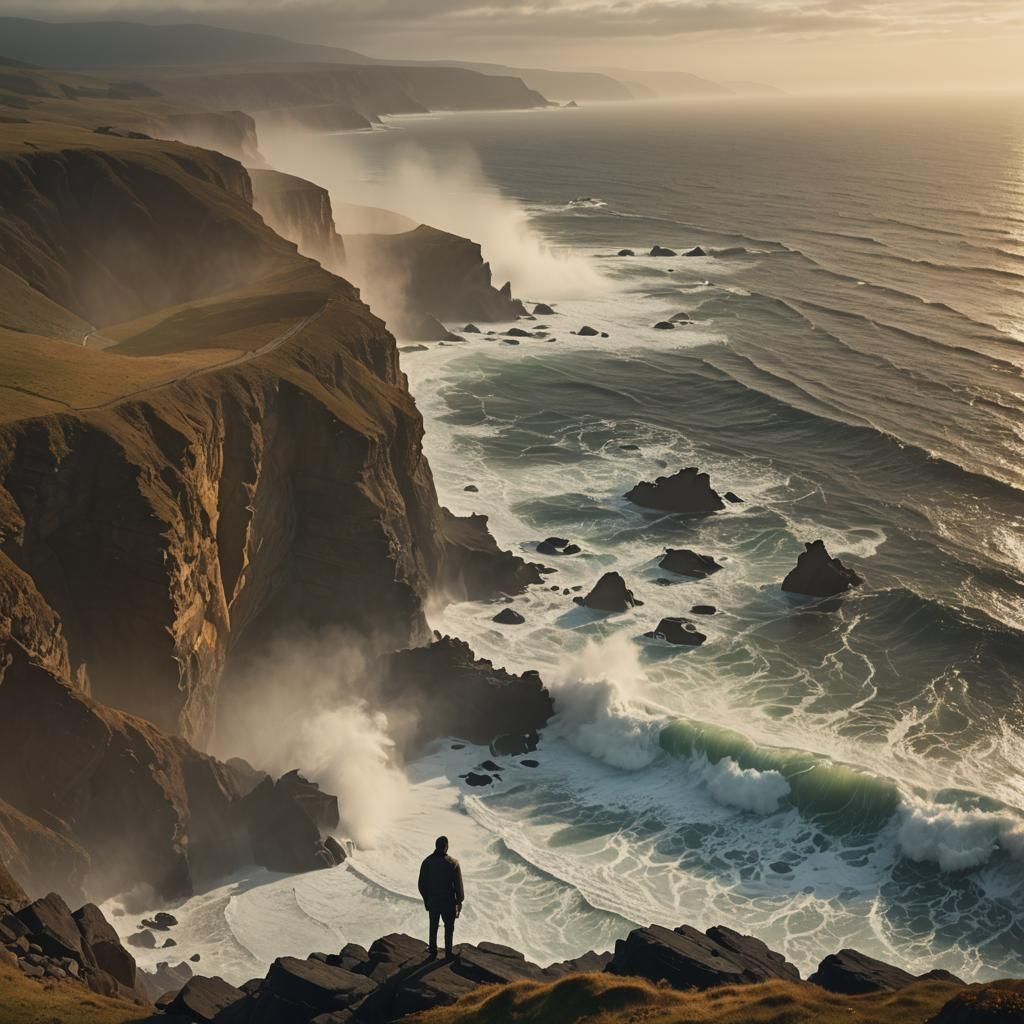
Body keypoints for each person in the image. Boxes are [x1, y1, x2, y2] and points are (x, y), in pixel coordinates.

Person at [417, 835, 464, 958]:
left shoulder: (427, 862)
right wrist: (459, 902)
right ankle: (448, 952)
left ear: (436, 846)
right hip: (449, 901)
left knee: (433, 925)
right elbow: (458, 886)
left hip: (433, 900)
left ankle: (433, 949)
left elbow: (421, 885)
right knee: (449, 927)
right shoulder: (453, 863)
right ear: (446, 847)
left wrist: (427, 900)